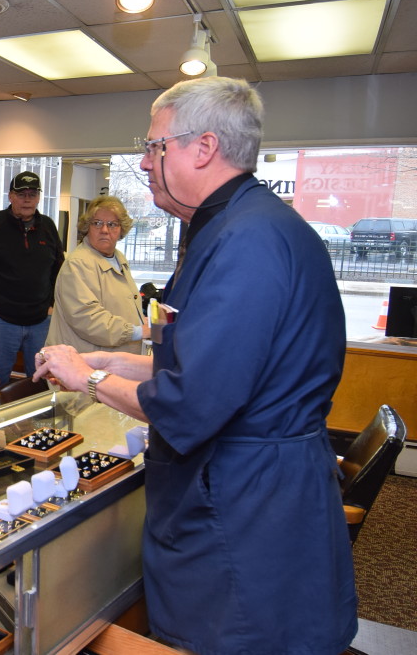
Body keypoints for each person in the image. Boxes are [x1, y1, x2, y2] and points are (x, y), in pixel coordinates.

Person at [33, 77, 356, 654]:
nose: (145, 161)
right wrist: (113, 359)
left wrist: (91, 379)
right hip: (250, 483)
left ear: (202, 148)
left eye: (155, 146)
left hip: (246, 501)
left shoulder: (247, 241)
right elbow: (195, 355)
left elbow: (191, 400)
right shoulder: (236, 225)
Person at [0, 171, 63, 386]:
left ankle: (38, 421)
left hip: (41, 322)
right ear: (10, 196)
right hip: (0, 321)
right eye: (21, 193)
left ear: (38, 197)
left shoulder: (47, 227)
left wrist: (52, 305)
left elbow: (59, 270)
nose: (27, 199)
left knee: (41, 381)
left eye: (32, 193)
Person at [46, 196, 148, 354]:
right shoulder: (78, 264)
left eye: (112, 224)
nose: (105, 230)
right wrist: (137, 331)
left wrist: (142, 322)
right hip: (84, 364)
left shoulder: (118, 258)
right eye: (98, 223)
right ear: (87, 227)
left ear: (121, 229)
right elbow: (89, 320)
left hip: (113, 360)